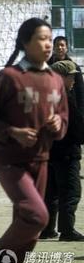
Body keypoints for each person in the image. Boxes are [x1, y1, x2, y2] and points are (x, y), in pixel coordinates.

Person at [0, 18, 68, 263]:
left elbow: (64, 123)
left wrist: (56, 123)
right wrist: (12, 132)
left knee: (31, 236)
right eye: (41, 39)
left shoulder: (56, 80)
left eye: (50, 39)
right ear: (25, 43)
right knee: (38, 216)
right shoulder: (9, 77)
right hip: (11, 162)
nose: (48, 44)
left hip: (42, 160)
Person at [40, 60, 84, 241]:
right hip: (66, 153)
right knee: (70, 192)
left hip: (49, 153)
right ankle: (67, 231)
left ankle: (47, 229)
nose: (74, 79)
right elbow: (76, 127)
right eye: (71, 76)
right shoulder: (65, 97)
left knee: (51, 193)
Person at [48, 36, 84, 110]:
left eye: (62, 45)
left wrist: (81, 110)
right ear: (53, 48)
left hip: (70, 105)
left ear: (66, 48)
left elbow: (80, 90)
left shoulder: (74, 67)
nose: (60, 47)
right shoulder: (47, 66)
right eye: (57, 45)